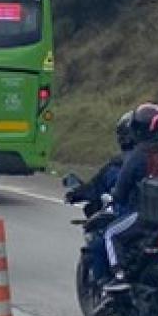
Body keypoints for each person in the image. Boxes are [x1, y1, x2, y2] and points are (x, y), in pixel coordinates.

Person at [102, 103, 158, 293]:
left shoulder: (139, 155)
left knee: (110, 234)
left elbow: (121, 190)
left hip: (146, 217)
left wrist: (113, 198)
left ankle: (119, 277)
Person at [65, 109, 135, 281]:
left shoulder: (119, 166)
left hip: (131, 217)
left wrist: (75, 194)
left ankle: (109, 280)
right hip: (157, 223)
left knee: (100, 241)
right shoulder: (156, 160)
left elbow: (94, 188)